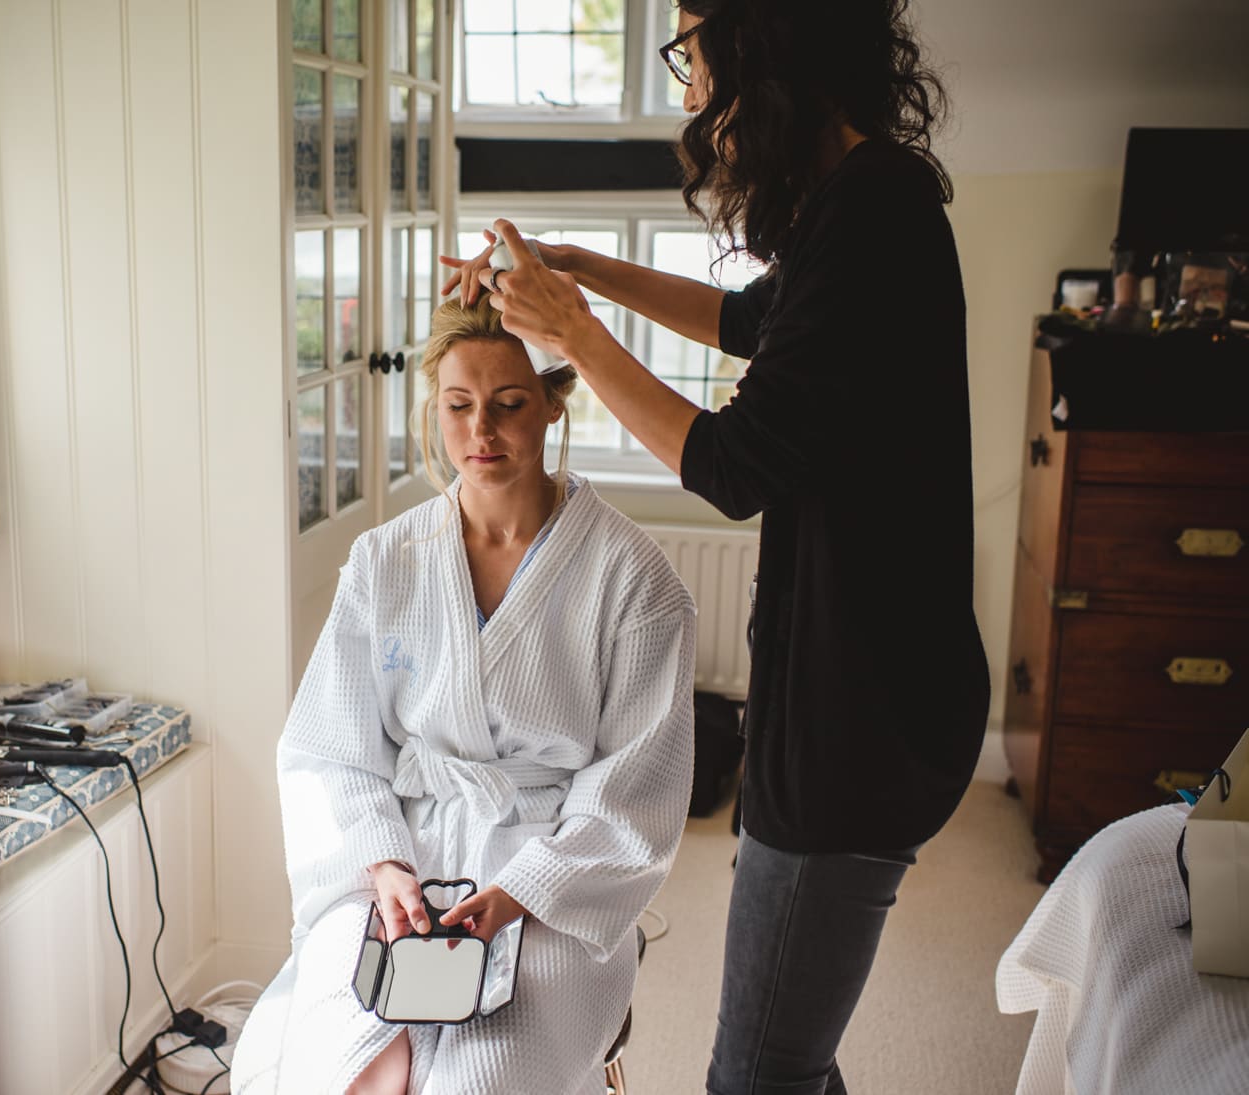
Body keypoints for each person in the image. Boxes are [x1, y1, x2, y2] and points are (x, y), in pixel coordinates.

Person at [443, 2, 991, 1092]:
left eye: (689, 54)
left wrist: (573, 333)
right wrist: (581, 269)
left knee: (757, 1074)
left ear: (760, 46)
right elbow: (750, 322)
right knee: (787, 1055)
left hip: (861, 712)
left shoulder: (876, 207)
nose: (690, 94)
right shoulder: (859, 201)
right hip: (848, 689)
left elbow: (735, 467)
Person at [230, 297, 696, 1094]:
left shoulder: (635, 580)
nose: (482, 431)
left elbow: (635, 795)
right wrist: (383, 865)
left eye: (509, 404)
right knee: (349, 1073)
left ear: (553, 402)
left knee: (476, 1083)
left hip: (548, 875)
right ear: (434, 409)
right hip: (402, 856)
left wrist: (521, 892)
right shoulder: (386, 559)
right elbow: (327, 748)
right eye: (459, 405)